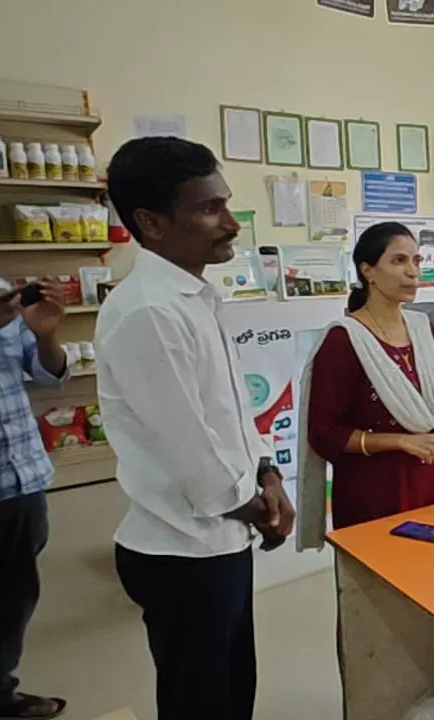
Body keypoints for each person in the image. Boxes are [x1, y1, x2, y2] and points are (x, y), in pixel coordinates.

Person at [97, 136, 294, 720]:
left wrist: (267, 471)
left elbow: (230, 413)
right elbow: (189, 451)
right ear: (151, 223)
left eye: (226, 204)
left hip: (222, 540)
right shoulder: (149, 312)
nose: (231, 223)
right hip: (182, 551)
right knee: (199, 703)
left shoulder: (193, 297)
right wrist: (258, 505)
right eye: (210, 209)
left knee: (234, 692)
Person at [298, 222, 434, 538]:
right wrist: (400, 442)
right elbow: (324, 434)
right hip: (375, 493)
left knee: (432, 578)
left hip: (431, 483)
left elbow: (429, 403)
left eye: (416, 261)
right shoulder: (343, 340)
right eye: (398, 261)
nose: (413, 272)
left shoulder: (422, 327)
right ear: (368, 271)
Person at [0, 278, 67, 720]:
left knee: (13, 598)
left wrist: (46, 334)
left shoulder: (1, 289)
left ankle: (0, 695)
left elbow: (48, 374)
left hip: (20, 480)